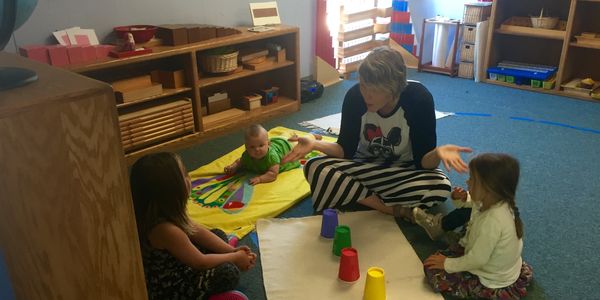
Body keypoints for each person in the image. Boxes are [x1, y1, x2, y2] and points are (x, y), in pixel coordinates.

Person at [281, 46, 471, 221]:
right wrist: (314, 143)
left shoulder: (418, 99)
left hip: (402, 171)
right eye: (363, 86)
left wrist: (438, 152)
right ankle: (389, 208)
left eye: (374, 90)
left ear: (393, 88)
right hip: (363, 167)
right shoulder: (355, 97)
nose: (366, 95)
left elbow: (424, 162)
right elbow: (344, 150)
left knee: (440, 186)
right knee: (315, 166)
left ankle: (353, 193)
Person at [130, 152, 257, 300]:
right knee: (228, 272)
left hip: (179, 262)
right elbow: (200, 262)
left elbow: (196, 231)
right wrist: (234, 258)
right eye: (184, 174)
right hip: (172, 288)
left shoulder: (164, 212)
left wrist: (232, 250)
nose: (189, 177)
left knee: (218, 234)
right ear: (172, 190)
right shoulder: (165, 230)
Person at [423, 153, 533, 299]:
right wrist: (461, 198)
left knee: (432, 269)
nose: (467, 182)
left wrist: (447, 264)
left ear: (488, 189)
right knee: (467, 232)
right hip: (500, 266)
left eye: (472, 180)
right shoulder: (498, 201)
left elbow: (477, 260)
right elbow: (473, 204)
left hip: (490, 279)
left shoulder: (493, 221)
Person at [224, 124, 300, 185]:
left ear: (268, 144)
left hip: (283, 146)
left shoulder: (271, 157)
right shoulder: (247, 155)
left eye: (261, 145)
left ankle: (294, 138)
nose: (257, 149)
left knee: (296, 146)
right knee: (282, 138)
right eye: (252, 147)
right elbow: (239, 162)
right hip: (271, 141)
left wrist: (260, 179)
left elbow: (273, 174)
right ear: (246, 147)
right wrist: (233, 167)